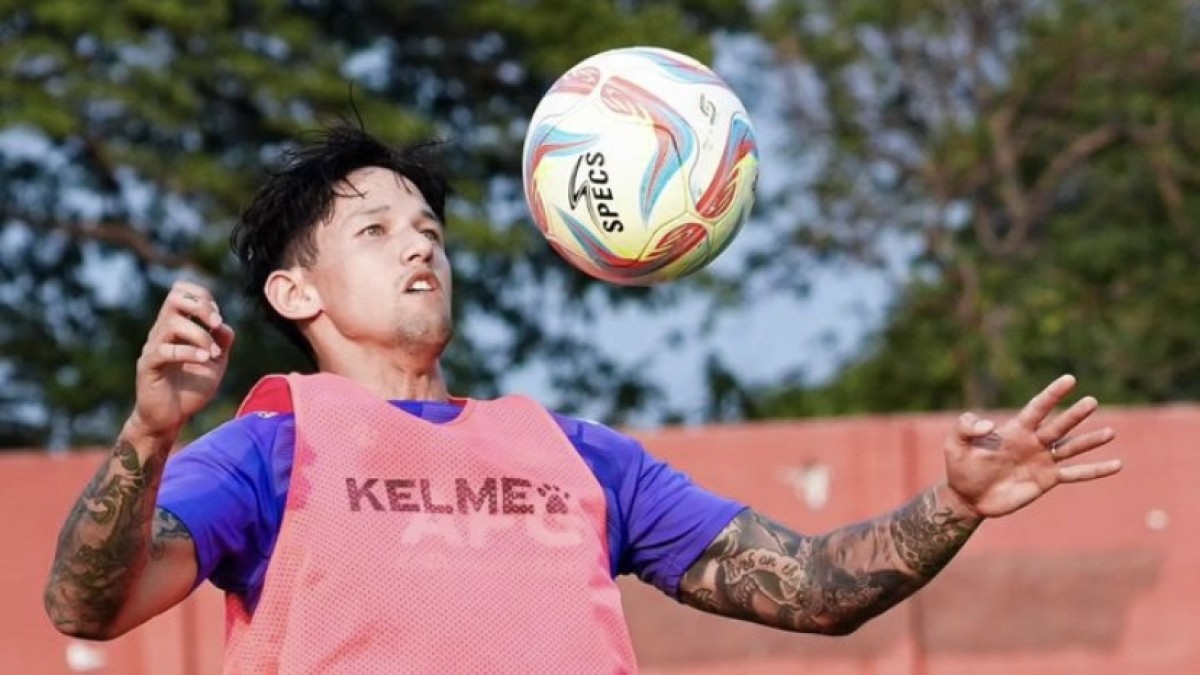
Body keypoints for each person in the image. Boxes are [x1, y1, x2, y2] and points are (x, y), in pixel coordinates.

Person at [43, 123, 1121, 674]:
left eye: (429, 228)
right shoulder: (274, 446)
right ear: (295, 291)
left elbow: (816, 589)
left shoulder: (577, 456)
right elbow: (87, 606)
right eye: (375, 229)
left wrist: (957, 503)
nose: (418, 244)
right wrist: (149, 431)